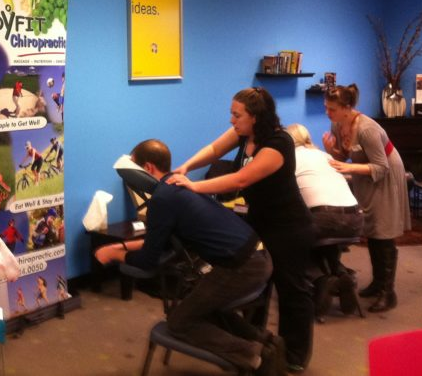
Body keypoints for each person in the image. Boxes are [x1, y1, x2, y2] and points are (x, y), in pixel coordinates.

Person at [167, 87, 314, 373]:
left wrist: (194, 186)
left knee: (292, 290)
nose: (232, 120)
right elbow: (214, 150)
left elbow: (241, 180)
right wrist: (186, 167)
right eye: (231, 114)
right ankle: (262, 348)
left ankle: (294, 356)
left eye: (237, 115)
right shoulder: (244, 133)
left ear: (256, 117)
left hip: (289, 228)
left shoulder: (278, 143)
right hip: (259, 223)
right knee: (257, 289)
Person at [96, 139, 273, 372]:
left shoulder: (162, 199)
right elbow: (161, 241)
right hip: (258, 256)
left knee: (179, 322)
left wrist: (113, 254)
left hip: (241, 267)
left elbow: (148, 261)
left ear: (148, 168)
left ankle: (256, 356)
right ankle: (268, 342)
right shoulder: (179, 187)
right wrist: (123, 246)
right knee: (202, 307)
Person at [321, 84, 410, 313]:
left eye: (332, 109)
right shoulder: (338, 124)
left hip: (386, 175)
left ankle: (388, 293)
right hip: (365, 174)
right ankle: (378, 283)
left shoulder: (367, 129)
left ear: (347, 108)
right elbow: (345, 156)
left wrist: (350, 168)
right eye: (326, 108)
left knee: (383, 229)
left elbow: (381, 167)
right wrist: (331, 150)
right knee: (371, 228)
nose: (328, 113)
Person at [285, 123, 363, 317]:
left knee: (289, 241)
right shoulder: (325, 156)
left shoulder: (290, 159)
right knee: (323, 239)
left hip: (324, 218)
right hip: (356, 219)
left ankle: (321, 279)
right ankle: (341, 274)